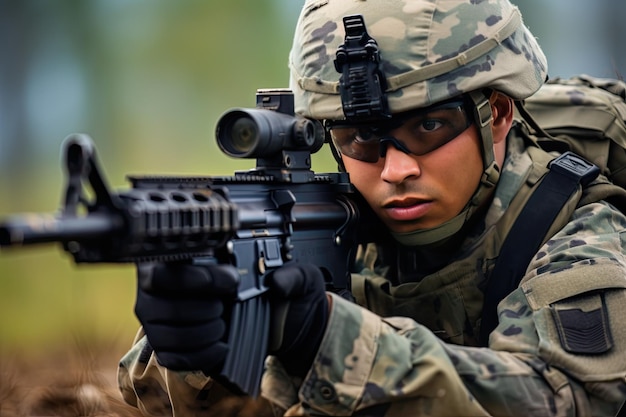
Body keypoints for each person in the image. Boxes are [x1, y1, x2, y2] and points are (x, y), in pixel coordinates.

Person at [117, 0, 626, 415]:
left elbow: (571, 400)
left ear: (495, 114)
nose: (395, 170)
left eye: (428, 127)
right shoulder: (326, 229)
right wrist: (202, 355)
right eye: (360, 138)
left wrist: (322, 334)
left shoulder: (573, 229)